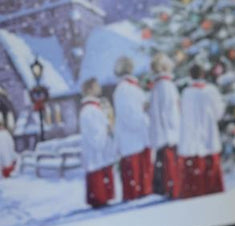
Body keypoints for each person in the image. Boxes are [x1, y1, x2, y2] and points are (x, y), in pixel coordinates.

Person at [177, 63, 225, 198]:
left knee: (195, 168)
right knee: (211, 165)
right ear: (203, 74)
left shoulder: (186, 93)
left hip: (193, 137)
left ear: (190, 76)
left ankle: (195, 191)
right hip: (209, 133)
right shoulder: (211, 91)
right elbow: (218, 113)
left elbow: (183, 114)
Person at [112, 56, 152, 200]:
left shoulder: (125, 88)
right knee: (136, 173)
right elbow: (131, 115)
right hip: (134, 136)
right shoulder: (126, 89)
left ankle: (138, 191)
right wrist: (144, 119)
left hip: (133, 137)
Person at [78, 77, 116, 208]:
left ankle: (102, 197)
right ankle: (99, 198)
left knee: (101, 169)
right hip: (96, 148)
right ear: (90, 89)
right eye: (96, 86)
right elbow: (94, 130)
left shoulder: (94, 107)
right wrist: (105, 129)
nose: (99, 88)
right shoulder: (89, 110)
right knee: (97, 171)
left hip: (100, 146)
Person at [148, 52, 182, 197]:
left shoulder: (157, 86)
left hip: (162, 133)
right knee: (171, 163)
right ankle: (175, 189)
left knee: (165, 163)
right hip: (170, 133)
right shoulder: (166, 85)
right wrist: (175, 127)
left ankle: (168, 188)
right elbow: (170, 110)